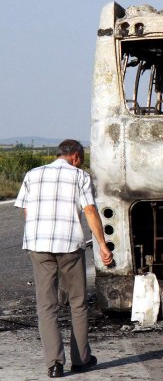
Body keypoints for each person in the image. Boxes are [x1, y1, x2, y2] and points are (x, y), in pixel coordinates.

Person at [14, 139, 113, 378]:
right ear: (76, 156)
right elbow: (89, 211)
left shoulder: (32, 174)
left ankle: (54, 364)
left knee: (46, 305)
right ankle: (80, 360)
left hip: (39, 245)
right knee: (77, 303)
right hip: (69, 246)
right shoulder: (80, 177)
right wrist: (102, 245)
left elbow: (25, 209)